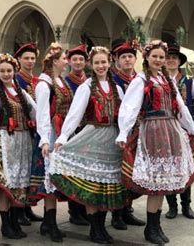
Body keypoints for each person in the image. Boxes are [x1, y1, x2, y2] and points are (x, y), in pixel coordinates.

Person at [116, 40, 194, 244]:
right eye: (155, 56)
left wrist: (191, 127)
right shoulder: (141, 79)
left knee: (164, 181)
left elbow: (180, 105)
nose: (159, 60)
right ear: (147, 57)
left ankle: (154, 226)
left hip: (170, 129)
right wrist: (123, 132)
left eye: (162, 57)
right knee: (157, 182)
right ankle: (151, 228)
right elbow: (129, 107)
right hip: (152, 131)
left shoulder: (165, 78)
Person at [50, 46, 127, 243]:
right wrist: (63, 137)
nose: (101, 66)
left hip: (112, 140)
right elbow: (74, 114)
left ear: (109, 63)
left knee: (107, 186)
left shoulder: (117, 88)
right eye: (97, 63)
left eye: (103, 62)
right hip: (93, 137)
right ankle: (95, 229)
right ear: (91, 65)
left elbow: (126, 115)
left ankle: (101, 227)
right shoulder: (86, 87)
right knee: (94, 186)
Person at [0, 53, 36, 240]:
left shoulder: (22, 93)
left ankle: (13, 220)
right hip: (5, 141)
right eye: (2, 71)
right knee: (6, 183)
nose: (6, 74)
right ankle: (5, 224)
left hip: (23, 140)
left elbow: (34, 112)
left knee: (19, 181)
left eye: (9, 70)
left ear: (15, 71)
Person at [164, 41, 194, 220]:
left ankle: (186, 205)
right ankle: (172, 207)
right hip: (165, 133)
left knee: (186, 168)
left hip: (185, 133)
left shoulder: (190, 83)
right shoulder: (157, 81)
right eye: (167, 58)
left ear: (179, 62)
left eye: (174, 58)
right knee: (168, 169)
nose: (170, 61)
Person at [31, 42, 72, 242]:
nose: (67, 62)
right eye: (64, 58)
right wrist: (45, 140)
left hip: (61, 133)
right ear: (55, 61)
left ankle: (48, 223)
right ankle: (51, 224)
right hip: (50, 134)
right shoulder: (44, 84)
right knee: (50, 180)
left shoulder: (59, 80)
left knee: (55, 179)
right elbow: (42, 115)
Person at [109, 39, 146, 230]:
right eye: (123, 57)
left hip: (137, 131)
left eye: (130, 56)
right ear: (116, 59)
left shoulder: (139, 79)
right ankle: (117, 214)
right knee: (119, 172)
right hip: (118, 131)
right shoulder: (113, 80)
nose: (127, 60)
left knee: (132, 171)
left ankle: (127, 210)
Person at [13, 42, 44, 224]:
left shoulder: (36, 80)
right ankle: (19, 210)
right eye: (26, 58)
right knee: (21, 169)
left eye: (32, 58)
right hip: (22, 128)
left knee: (30, 168)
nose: (30, 61)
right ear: (19, 60)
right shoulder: (17, 80)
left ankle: (28, 207)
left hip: (35, 129)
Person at [63, 44, 90, 226]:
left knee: (87, 171)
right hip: (74, 131)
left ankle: (85, 207)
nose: (78, 62)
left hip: (89, 131)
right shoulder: (65, 82)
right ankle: (74, 210)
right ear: (69, 62)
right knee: (74, 170)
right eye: (75, 59)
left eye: (81, 59)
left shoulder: (89, 80)